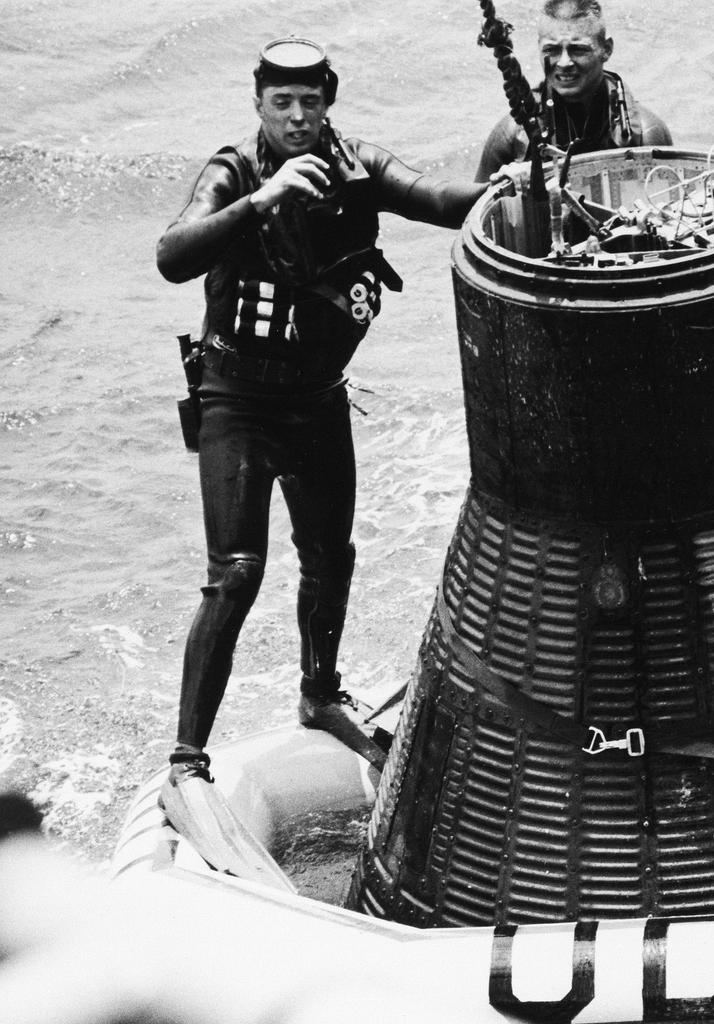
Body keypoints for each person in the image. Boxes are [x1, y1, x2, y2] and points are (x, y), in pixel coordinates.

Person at [155, 38, 491, 830]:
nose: (298, 117)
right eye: (282, 103)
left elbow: (438, 199)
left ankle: (320, 693)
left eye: (311, 102)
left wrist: (504, 188)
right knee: (237, 571)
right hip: (236, 401)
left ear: (328, 103)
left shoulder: (357, 166)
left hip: (315, 401)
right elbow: (171, 256)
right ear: (259, 105)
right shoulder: (234, 171)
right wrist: (262, 199)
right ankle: (185, 757)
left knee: (331, 555)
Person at [473, 0, 672, 183]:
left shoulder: (646, 134)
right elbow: (473, 206)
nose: (564, 62)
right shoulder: (513, 134)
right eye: (552, 50)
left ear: (606, 49)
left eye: (578, 50)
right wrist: (502, 186)